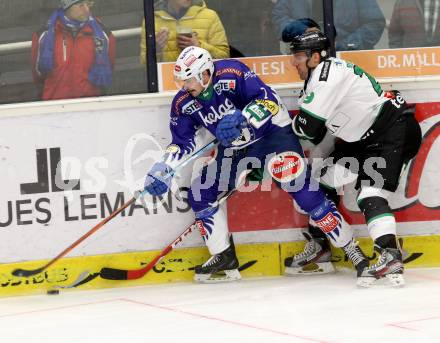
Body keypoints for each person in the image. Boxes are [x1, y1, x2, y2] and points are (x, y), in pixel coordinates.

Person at [142, 45, 369, 283]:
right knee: (201, 192)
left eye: (188, 80)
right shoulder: (183, 103)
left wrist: (243, 118)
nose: (184, 86)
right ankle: (224, 257)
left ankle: (351, 248)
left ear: (205, 74)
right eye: (181, 81)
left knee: (302, 189)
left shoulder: (232, 72)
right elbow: (183, 141)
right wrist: (164, 168)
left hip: (273, 136)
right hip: (236, 148)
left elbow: (268, 100)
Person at [287, 30, 422, 287]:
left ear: (315, 57)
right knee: (323, 177)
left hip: (392, 129)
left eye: (298, 56)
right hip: (365, 139)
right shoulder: (317, 78)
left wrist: (271, 127)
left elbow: (309, 127)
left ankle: (390, 255)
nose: (293, 62)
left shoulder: (326, 76)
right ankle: (320, 245)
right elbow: (315, 134)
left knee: (369, 194)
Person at [31, 0, 116, 100]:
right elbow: (38, 73)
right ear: (67, 7)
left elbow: (109, 68)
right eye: (81, 5)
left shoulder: (103, 35)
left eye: (88, 5)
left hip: (89, 105)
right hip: (54, 104)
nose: (87, 9)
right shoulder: (44, 35)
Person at [272, 0, 386, 51]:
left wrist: (343, 46)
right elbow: (279, 19)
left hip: (349, 62)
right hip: (305, 61)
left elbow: (375, 23)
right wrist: (304, 30)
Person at [140, 0, 229, 64]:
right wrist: (156, 49)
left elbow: (225, 58)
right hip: (166, 83)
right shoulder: (152, 20)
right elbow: (144, 67)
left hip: (202, 84)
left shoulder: (210, 16)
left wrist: (198, 47)